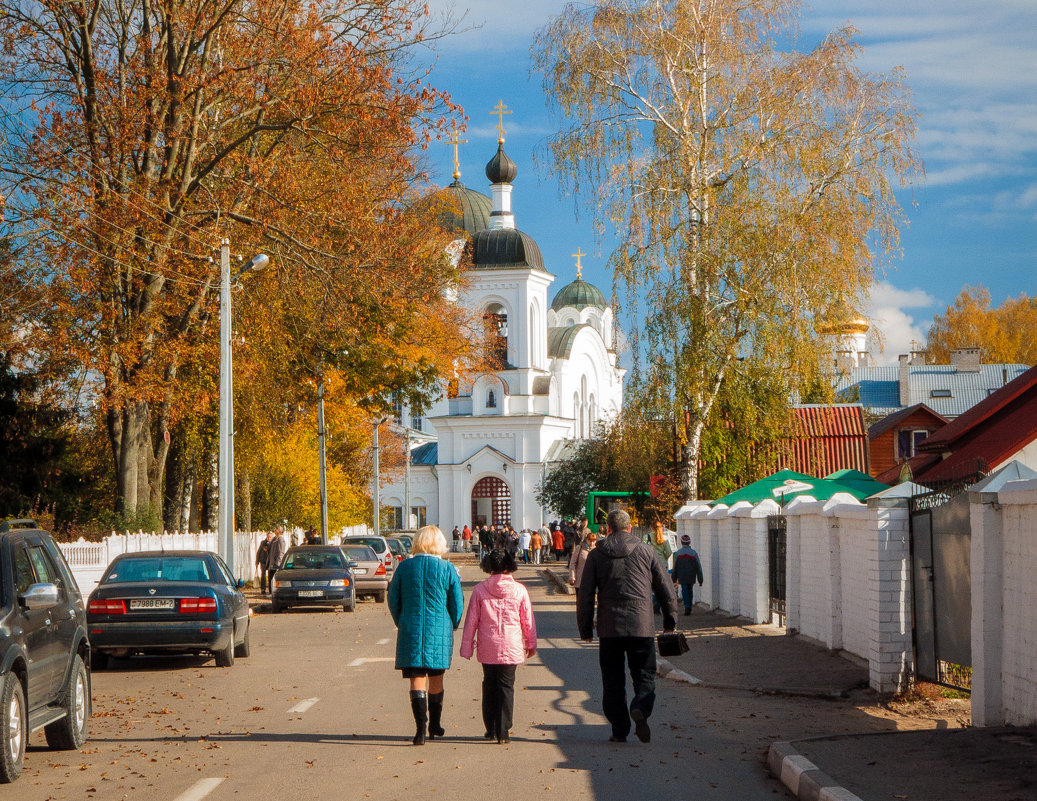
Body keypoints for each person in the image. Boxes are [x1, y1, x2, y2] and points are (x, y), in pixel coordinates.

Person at [577, 509, 679, 744]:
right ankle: (641, 708)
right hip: (641, 624)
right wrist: (670, 621)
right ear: (630, 528)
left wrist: (585, 628)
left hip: (609, 627)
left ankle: (619, 729)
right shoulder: (646, 550)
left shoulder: (596, 554)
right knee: (644, 675)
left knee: (612, 680)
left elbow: (585, 594)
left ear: (608, 529)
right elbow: (666, 589)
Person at [387, 525, 464, 745]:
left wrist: (401, 620)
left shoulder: (404, 567)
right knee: (436, 678)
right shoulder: (447, 569)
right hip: (439, 628)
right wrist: (452, 623)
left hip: (410, 627)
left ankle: (420, 730)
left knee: (416, 678)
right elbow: (457, 603)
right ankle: (435, 725)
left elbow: (393, 599)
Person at [460, 549, 537, 744]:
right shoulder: (520, 590)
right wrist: (531, 643)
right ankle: (504, 730)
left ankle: (491, 727)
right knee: (506, 686)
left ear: (489, 567)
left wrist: (466, 648)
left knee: (489, 685)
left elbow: (471, 622)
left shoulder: (479, 590)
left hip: (488, 645)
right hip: (511, 645)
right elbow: (527, 621)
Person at [671, 534, 704, 615]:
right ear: (689, 543)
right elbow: (699, 567)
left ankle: (687, 606)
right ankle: (689, 605)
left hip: (682, 576)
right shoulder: (693, 553)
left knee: (684, 590)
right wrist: (700, 579)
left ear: (681, 542)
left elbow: (674, 567)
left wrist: (673, 579)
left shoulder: (678, 554)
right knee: (690, 590)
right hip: (691, 575)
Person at [649, 521, 674, 614]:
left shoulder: (647, 537)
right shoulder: (665, 538)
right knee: (661, 586)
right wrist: (663, 558)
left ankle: (653, 603)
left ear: (652, 528)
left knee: (652, 586)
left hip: (650, 563)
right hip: (663, 564)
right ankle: (659, 604)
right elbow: (669, 552)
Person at [265, 524, 287, 595]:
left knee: (274, 579)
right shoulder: (275, 539)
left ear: (280, 531)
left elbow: (281, 552)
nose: (275, 530)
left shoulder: (280, 539)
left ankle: (273, 593)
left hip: (276, 563)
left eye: (276, 529)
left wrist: (278, 563)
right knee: (270, 578)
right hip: (271, 563)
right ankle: (271, 592)